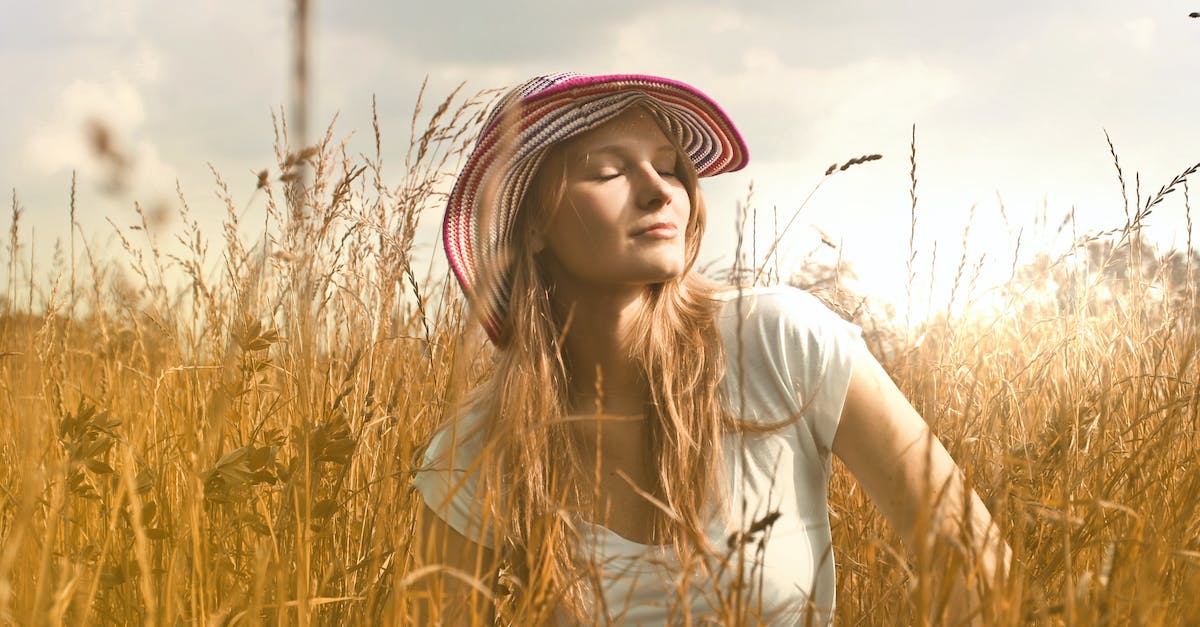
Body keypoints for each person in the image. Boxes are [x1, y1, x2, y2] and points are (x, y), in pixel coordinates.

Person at [410, 73, 1009, 625]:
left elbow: (979, 565)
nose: (657, 191)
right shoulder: (480, 450)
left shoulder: (778, 340)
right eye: (608, 172)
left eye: (670, 168)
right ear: (532, 223)